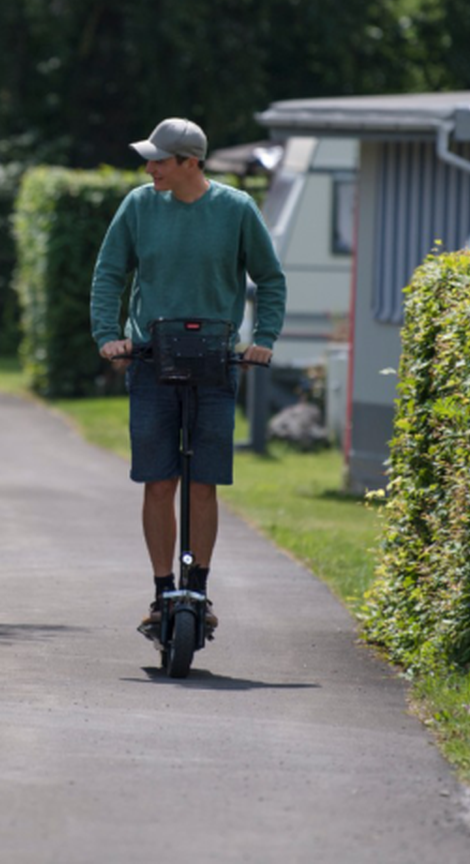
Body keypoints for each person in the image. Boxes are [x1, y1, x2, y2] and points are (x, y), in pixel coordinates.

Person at [90, 117, 286, 637]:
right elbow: (109, 272)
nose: (149, 167)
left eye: (159, 160)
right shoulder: (138, 205)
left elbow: (269, 277)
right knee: (158, 481)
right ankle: (161, 594)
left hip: (216, 363)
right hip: (152, 360)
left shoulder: (236, 210)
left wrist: (263, 338)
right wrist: (108, 335)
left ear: (190, 163)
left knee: (204, 484)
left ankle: (197, 588)